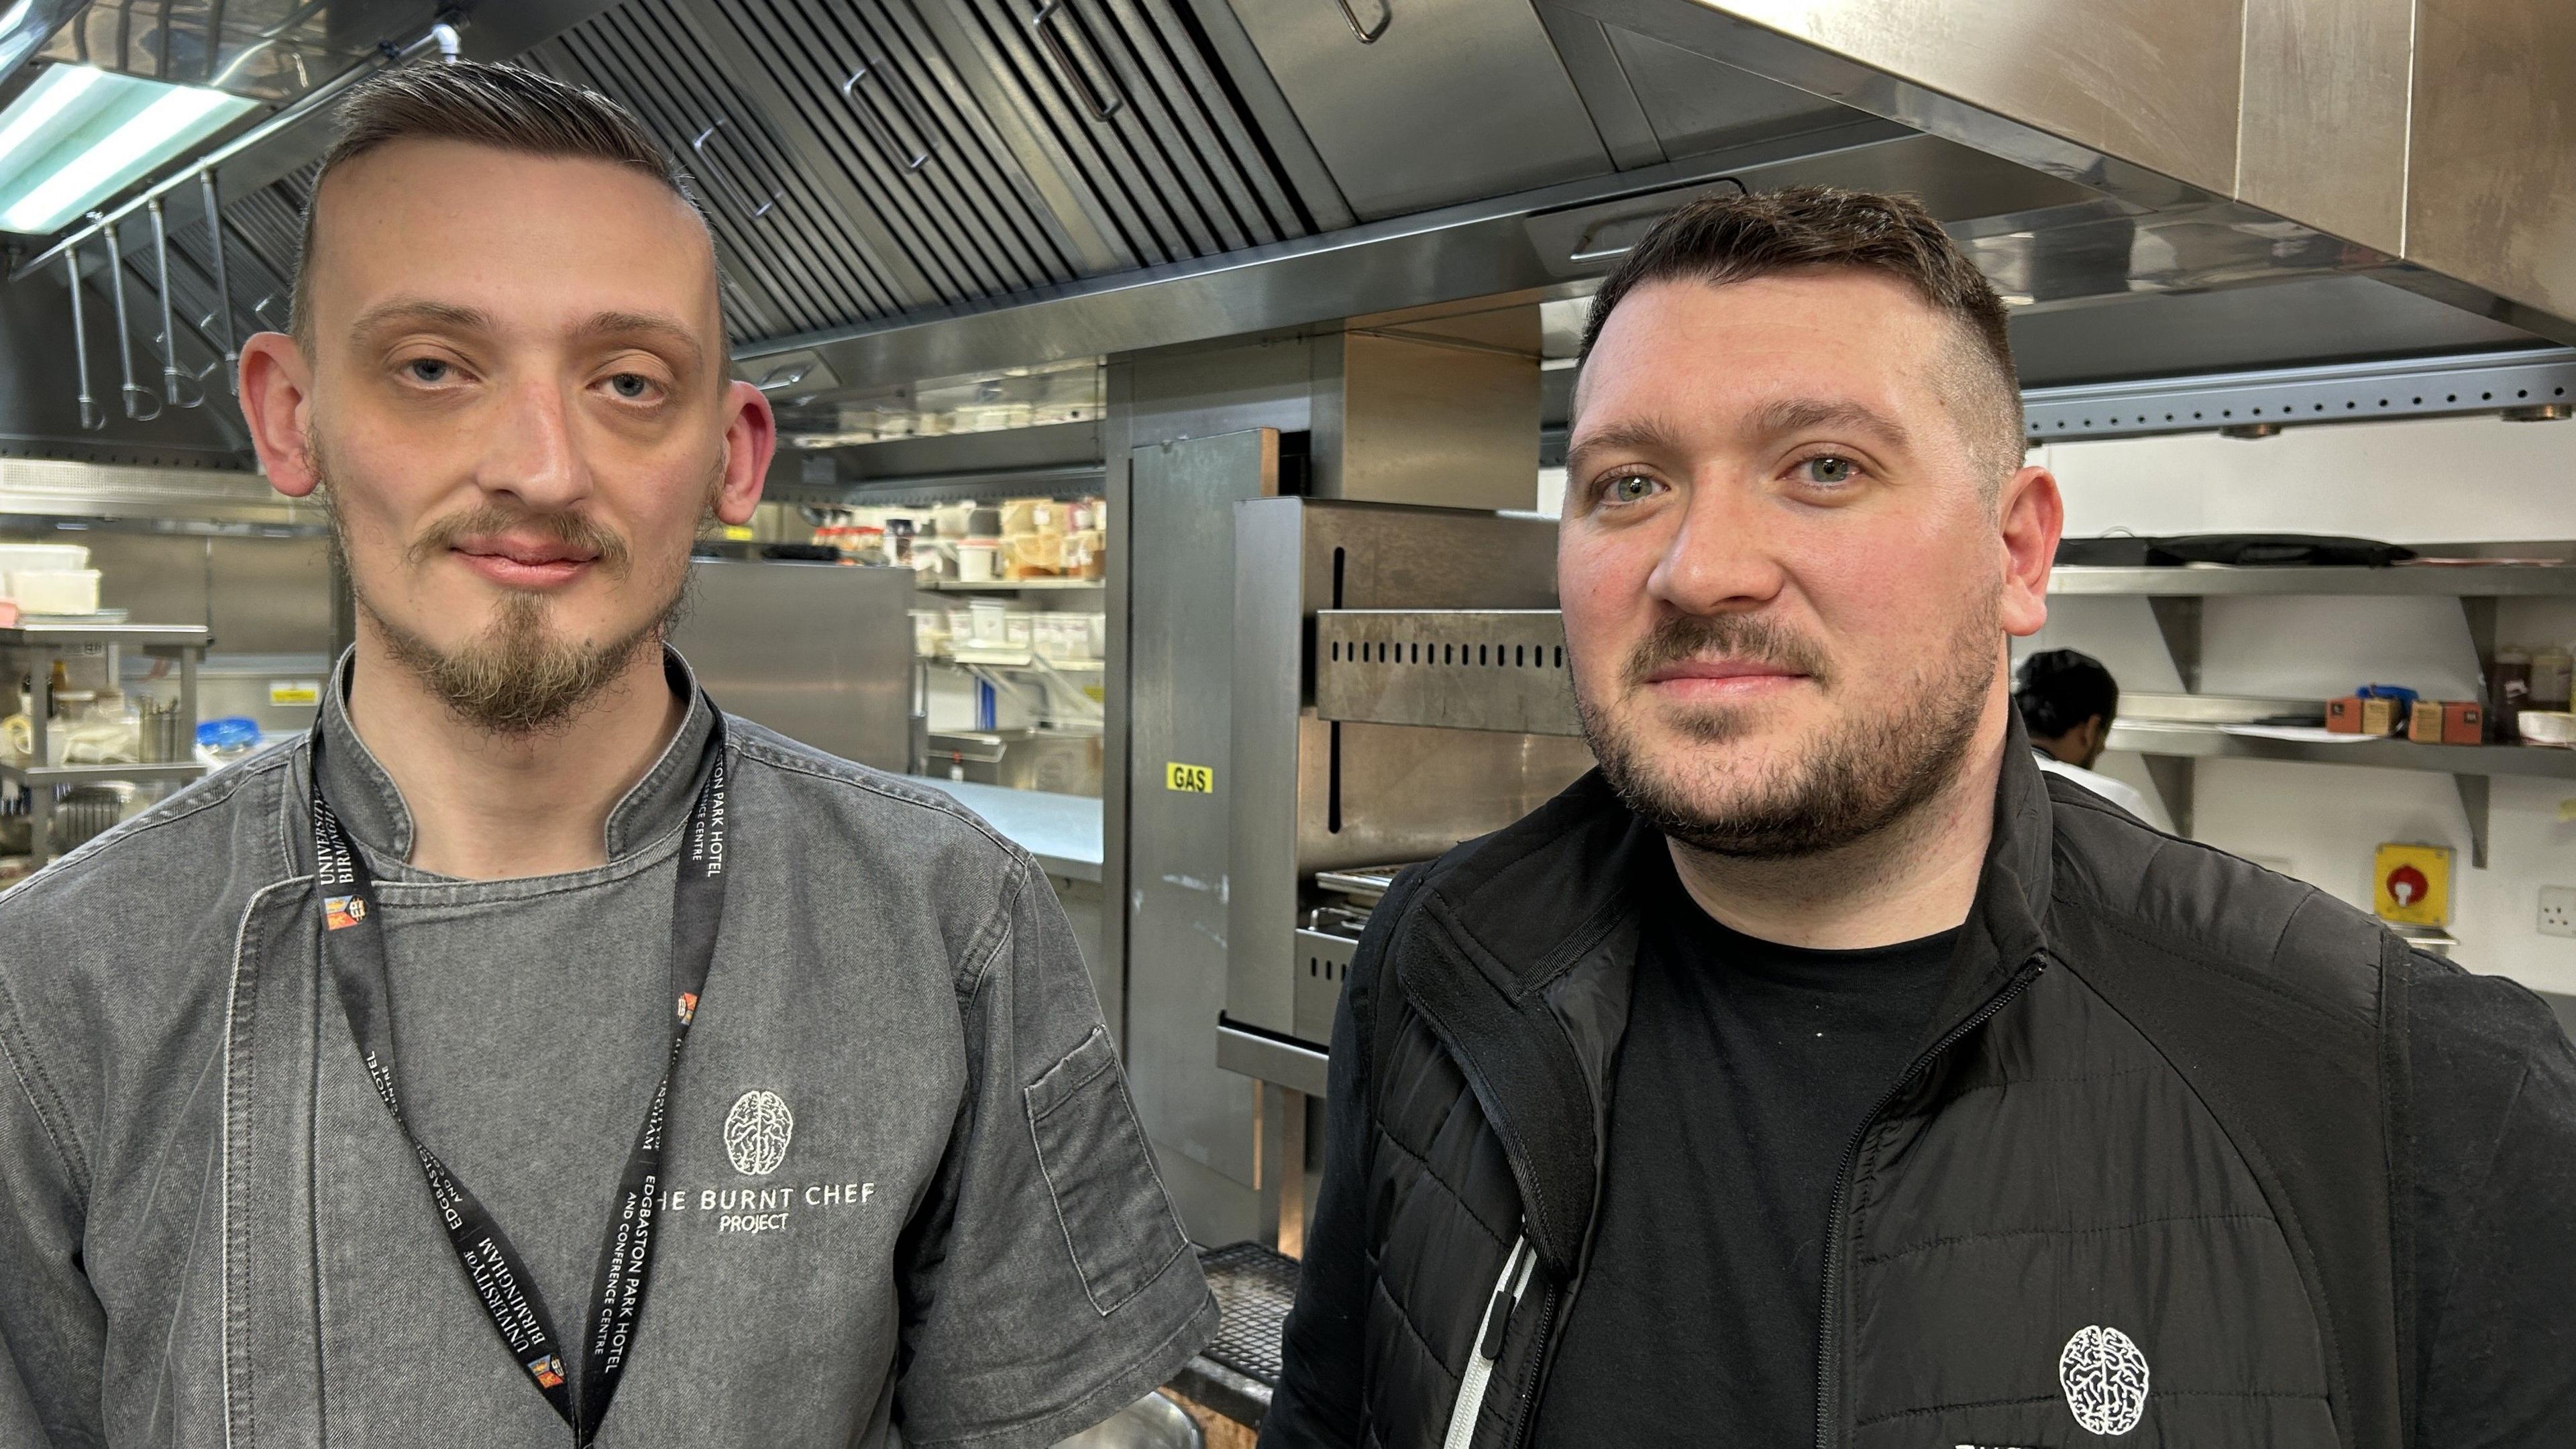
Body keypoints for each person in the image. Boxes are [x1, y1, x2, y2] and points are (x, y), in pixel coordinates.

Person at [0, 62, 1212, 1448]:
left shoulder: (950, 928)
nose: (542, 467)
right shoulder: (60, 991)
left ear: (731, 454)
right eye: (434, 369)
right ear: (293, 418)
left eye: (630, 382)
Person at [1263, 187, 2576, 1448]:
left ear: (2018, 555)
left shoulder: (2414, 1097)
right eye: (1628, 484)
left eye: (1822, 465)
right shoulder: (1445, 963)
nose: (1699, 567)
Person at [2014, 646, 2176, 832]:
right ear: (2091, 730)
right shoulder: (2114, 802)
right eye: (2103, 736)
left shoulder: (1989, 778)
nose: (2102, 749)